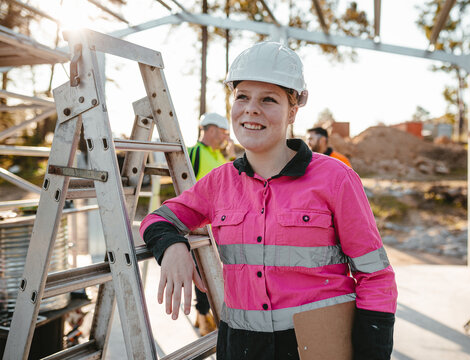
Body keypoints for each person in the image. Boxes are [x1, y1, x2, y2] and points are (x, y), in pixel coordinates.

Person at [140, 41, 397, 360]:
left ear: (293, 110)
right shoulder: (219, 183)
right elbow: (158, 219)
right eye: (242, 97)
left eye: (268, 99)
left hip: (320, 347)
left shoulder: (336, 178)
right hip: (242, 348)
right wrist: (172, 247)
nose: (251, 109)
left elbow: (375, 276)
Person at [187, 112, 230, 335]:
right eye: (223, 133)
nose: (225, 137)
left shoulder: (218, 156)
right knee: (202, 273)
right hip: (199, 227)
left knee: (213, 274)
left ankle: (201, 315)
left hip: (218, 229)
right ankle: (203, 315)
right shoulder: (194, 153)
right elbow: (185, 187)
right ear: (211, 130)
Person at [189, 112, 230, 181]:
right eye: (224, 132)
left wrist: (232, 156)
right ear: (212, 131)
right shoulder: (192, 152)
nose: (226, 138)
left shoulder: (218, 154)